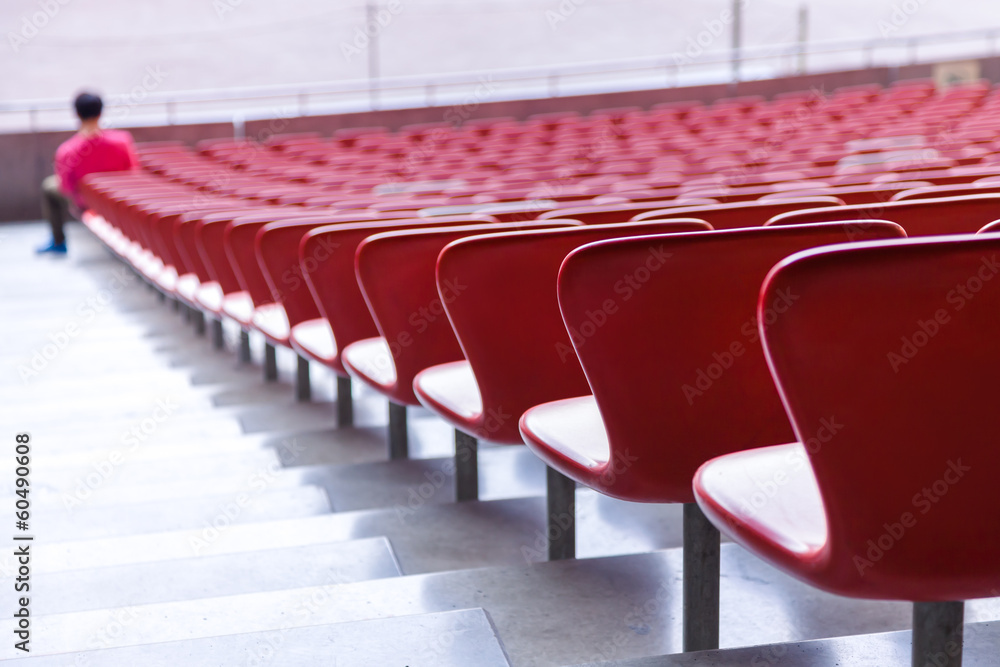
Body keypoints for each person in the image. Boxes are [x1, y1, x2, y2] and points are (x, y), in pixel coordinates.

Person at [38, 92, 138, 254]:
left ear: (77, 113)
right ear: (101, 112)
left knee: (48, 186)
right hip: (118, 200)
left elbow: (66, 188)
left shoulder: (66, 150)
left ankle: (58, 242)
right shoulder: (122, 140)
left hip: (85, 203)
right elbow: (133, 172)